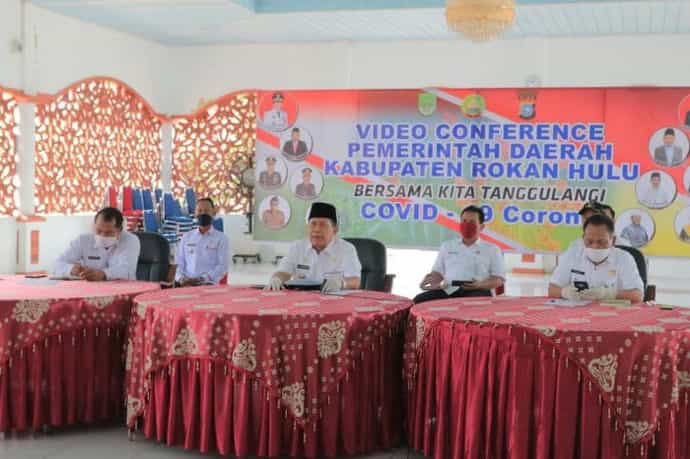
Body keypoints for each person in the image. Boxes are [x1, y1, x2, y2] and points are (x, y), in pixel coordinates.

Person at [413, 205, 505, 304]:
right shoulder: (447, 246)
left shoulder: (492, 249)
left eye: (472, 222)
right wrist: (429, 280)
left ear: (481, 226)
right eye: (464, 221)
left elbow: (498, 279)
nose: (467, 225)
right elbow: (438, 273)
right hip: (449, 289)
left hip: (478, 290)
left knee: (470, 305)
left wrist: (480, 284)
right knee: (418, 300)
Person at [265, 202, 361, 293]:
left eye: (323, 225)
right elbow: (283, 271)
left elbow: (355, 281)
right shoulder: (297, 247)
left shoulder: (347, 249)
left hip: (334, 298)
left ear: (335, 229)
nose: (317, 229)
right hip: (302, 298)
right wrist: (277, 279)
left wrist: (341, 283)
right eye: (313, 224)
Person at [549, 214, 644, 303]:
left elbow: (638, 295)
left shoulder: (624, 258)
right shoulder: (573, 254)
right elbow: (552, 289)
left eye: (601, 242)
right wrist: (564, 292)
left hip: (613, 312)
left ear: (613, 240)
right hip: (577, 311)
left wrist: (608, 294)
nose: (595, 246)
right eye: (589, 241)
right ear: (583, 238)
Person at [53, 207, 140, 281]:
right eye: (98, 231)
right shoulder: (83, 240)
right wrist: (71, 269)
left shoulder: (131, 240)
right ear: (94, 226)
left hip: (122, 289)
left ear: (120, 230)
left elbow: (127, 271)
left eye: (109, 232)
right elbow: (57, 263)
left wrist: (103, 274)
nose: (102, 235)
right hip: (89, 289)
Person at [175, 198, 230, 286]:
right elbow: (179, 262)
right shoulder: (186, 237)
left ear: (213, 213)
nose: (203, 214)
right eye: (199, 211)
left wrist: (202, 279)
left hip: (209, 284)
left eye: (206, 211)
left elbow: (222, 266)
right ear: (195, 214)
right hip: (186, 284)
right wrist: (181, 278)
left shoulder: (221, 238)